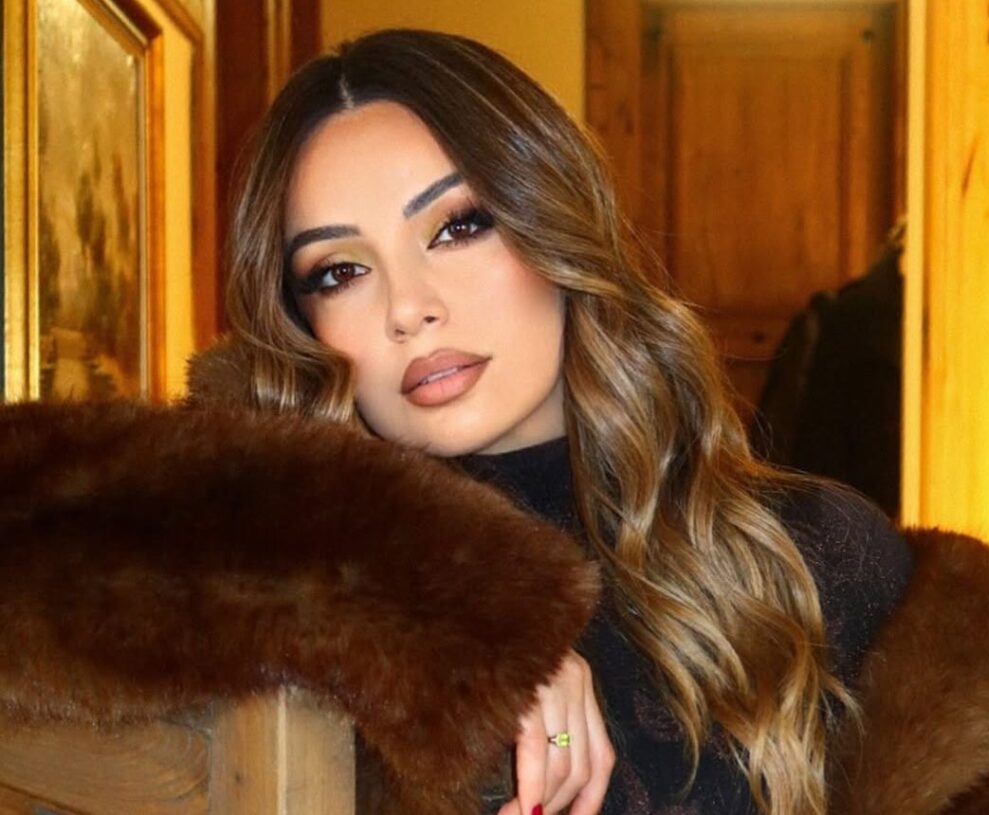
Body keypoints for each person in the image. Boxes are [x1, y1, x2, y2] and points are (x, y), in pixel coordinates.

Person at [219, 29, 917, 815]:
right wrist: (460, 618)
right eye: (340, 272)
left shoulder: (819, 555)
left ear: (553, 219)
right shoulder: (284, 592)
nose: (409, 307)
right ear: (300, 323)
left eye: (458, 225)